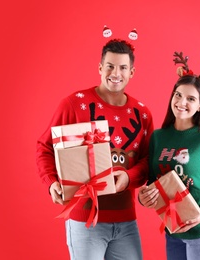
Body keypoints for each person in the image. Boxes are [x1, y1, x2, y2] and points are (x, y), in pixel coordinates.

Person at [36, 38, 154, 260]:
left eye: (123, 67)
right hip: (84, 221)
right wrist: (51, 182)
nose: (115, 73)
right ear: (100, 68)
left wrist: (128, 178)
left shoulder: (143, 114)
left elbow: (148, 160)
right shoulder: (73, 104)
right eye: (109, 65)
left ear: (132, 72)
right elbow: (45, 146)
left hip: (126, 222)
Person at [138, 52, 200, 260]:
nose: (182, 102)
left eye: (191, 98)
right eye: (178, 95)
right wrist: (144, 196)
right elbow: (155, 181)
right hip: (173, 230)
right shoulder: (158, 137)